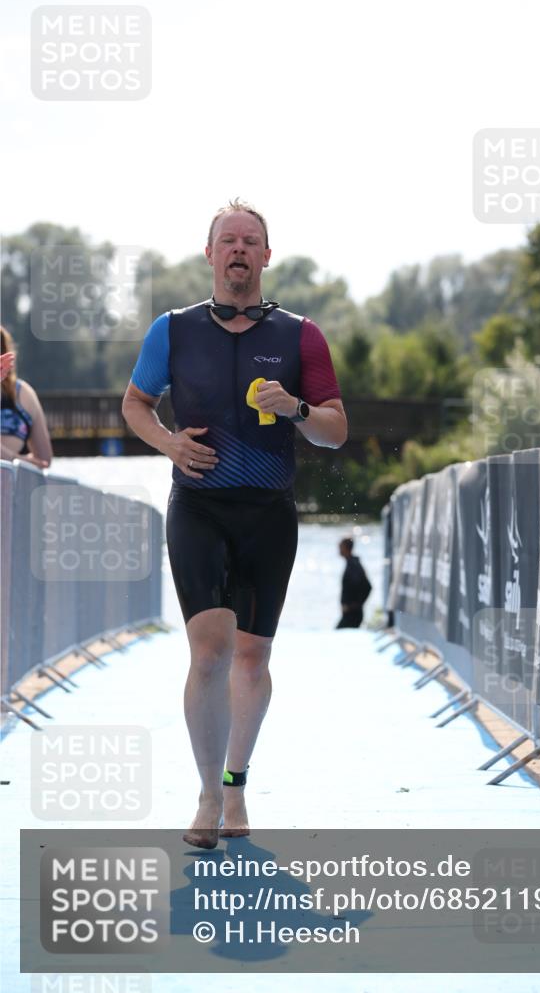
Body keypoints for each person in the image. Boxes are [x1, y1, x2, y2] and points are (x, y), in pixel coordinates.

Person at [122, 200, 347, 849]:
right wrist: (169, 444)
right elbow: (135, 404)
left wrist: (298, 407)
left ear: (267, 256)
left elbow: (334, 430)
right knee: (210, 651)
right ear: (210, 254)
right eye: (229, 240)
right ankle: (206, 796)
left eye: (251, 240)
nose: (239, 249)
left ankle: (236, 780)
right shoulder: (173, 329)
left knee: (252, 657)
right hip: (197, 505)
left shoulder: (300, 335)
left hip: (268, 513)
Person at [0, 326, 53, 468]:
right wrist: (20, 460)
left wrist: (16, 460)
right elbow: (43, 461)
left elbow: (44, 461)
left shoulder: (24, 394)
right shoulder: (25, 393)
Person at [336, 537, 372, 628]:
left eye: (340, 546)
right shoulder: (351, 563)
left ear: (346, 548)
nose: (338, 549)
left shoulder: (353, 565)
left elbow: (368, 587)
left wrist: (353, 606)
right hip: (350, 614)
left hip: (353, 614)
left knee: (338, 634)